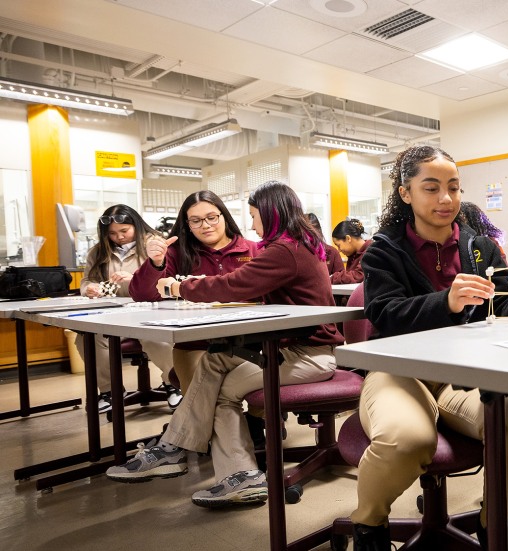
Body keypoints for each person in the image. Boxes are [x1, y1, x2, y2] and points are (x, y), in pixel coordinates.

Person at [107, 181, 344, 508]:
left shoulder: (283, 251)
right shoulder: (294, 245)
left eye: (254, 215)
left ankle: (211, 464)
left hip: (307, 356)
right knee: (215, 361)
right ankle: (196, 457)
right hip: (289, 349)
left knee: (216, 389)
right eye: (196, 220)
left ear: (271, 213)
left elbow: (235, 284)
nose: (251, 223)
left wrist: (180, 288)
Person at [350, 145, 508, 551]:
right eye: (431, 188)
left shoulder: (481, 248)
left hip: (465, 374)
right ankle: (368, 527)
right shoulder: (384, 250)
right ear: (405, 194)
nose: (446, 199)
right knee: (407, 438)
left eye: (453, 188)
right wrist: (447, 302)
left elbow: (498, 309)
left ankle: (496, 523)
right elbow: (385, 313)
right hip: (398, 370)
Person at [130, 191, 261, 392]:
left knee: (263, 398)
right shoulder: (176, 254)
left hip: (250, 343)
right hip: (196, 344)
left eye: (211, 218)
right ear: (187, 225)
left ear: (224, 216)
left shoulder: (254, 250)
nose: (206, 225)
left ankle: (256, 421)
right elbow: (143, 295)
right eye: (196, 221)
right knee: (202, 401)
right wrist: (156, 263)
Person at [77, 204, 177, 413]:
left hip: (150, 309)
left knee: (155, 337)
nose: (119, 237)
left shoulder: (155, 245)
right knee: (88, 338)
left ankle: (174, 383)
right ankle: (110, 391)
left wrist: (136, 279)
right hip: (113, 314)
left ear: (137, 225)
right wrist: (90, 288)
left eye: (124, 231)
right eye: (112, 233)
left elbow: (169, 279)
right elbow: (87, 280)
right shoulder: (99, 252)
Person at [330, 218, 371, 284]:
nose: (339, 250)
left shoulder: (371, 251)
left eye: (338, 245)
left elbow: (359, 275)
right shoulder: (353, 255)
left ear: (348, 238)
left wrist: (332, 278)